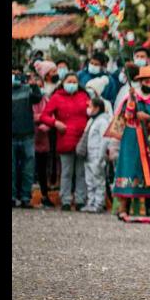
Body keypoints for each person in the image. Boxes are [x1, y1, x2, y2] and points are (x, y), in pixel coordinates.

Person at [107, 66, 150, 219]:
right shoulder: (131, 96)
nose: (149, 84)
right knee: (128, 172)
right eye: (146, 81)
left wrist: (149, 119)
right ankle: (123, 209)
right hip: (131, 143)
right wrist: (132, 101)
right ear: (140, 81)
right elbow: (127, 116)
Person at [40, 73, 91, 211]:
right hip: (65, 139)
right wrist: (55, 122)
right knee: (67, 172)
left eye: (74, 82)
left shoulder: (84, 96)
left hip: (82, 139)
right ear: (63, 83)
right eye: (69, 81)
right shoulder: (56, 97)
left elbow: (91, 112)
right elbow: (44, 116)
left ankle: (80, 199)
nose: (72, 84)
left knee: (81, 172)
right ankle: (66, 200)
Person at [13, 66, 44, 208]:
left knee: (28, 168)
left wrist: (33, 84)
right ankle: (13, 197)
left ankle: (26, 197)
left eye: (17, 74)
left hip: (27, 135)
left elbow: (38, 98)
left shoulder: (27, 90)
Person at [76, 96, 112, 213]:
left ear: (97, 108)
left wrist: (101, 157)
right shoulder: (92, 120)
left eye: (90, 106)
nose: (88, 109)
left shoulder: (102, 121)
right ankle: (90, 202)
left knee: (98, 181)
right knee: (89, 181)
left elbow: (105, 140)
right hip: (89, 155)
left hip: (97, 155)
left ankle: (98, 204)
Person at [32, 60, 58, 208]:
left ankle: (44, 194)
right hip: (30, 136)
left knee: (44, 166)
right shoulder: (31, 98)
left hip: (45, 137)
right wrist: (43, 118)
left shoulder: (47, 98)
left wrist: (46, 121)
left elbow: (51, 114)